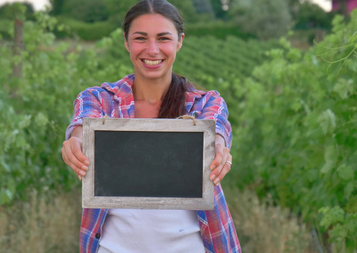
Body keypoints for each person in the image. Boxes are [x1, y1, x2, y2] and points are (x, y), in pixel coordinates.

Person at [61, 0, 241, 252]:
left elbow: (217, 127)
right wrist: (76, 141)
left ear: (180, 41)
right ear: (126, 42)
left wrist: (220, 148)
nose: (152, 49)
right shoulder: (100, 99)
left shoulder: (204, 102)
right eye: (141, 38)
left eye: (163, 38)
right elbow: (82, 123)